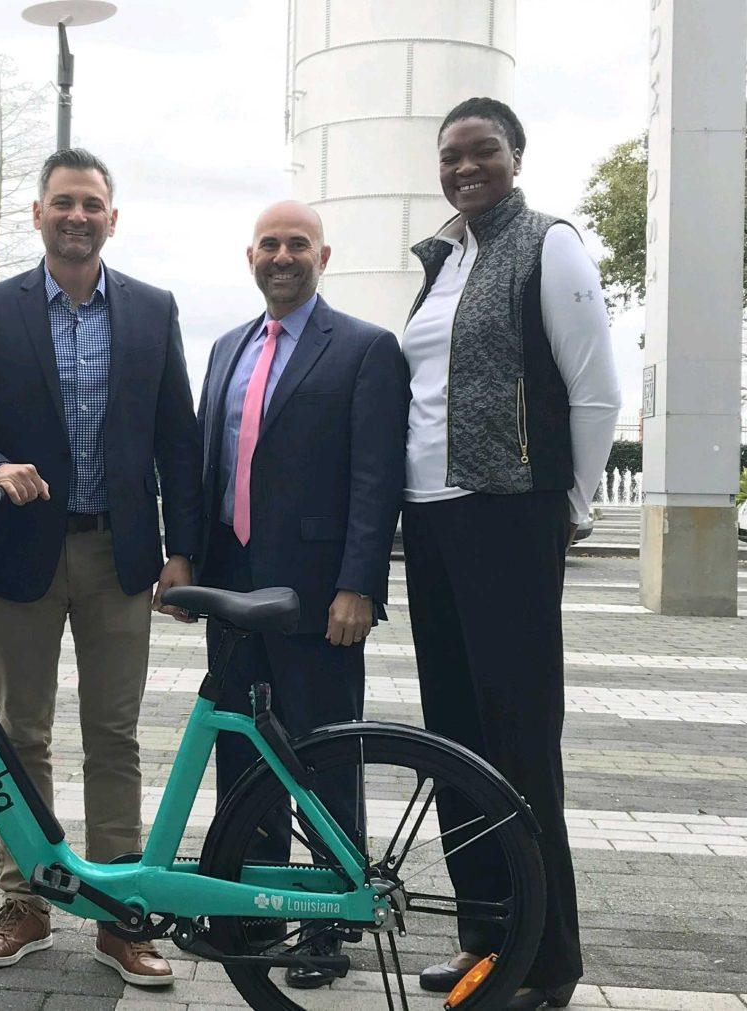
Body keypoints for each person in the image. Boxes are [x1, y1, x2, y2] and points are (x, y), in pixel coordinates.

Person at [0, 148, 202, 987]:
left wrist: (181, 549)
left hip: (121, 554)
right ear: (38, 214)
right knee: (22, 734)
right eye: (62, 203)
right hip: (23, 553)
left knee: (114, 734)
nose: (77, 216)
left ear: (111, 219)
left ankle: (122, 915)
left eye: (92, 204)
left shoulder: (154, 310)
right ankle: (27, 901)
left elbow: (177, 442)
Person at [401, 98, 620, 1010]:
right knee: (456, 738)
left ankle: (549, 958)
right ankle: (486, 936)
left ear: (515, 156)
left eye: (482, 151)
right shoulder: (442, 258)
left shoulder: (549, 244)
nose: (464, 167)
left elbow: (596, 388)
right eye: (451, 155)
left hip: (507, 519)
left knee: (521, 741)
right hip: (432, 522)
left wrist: (566, 507)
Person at [195, 200, 408, 989]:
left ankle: (327, 922)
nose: (282, 256)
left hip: (320, 597)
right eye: (269, 244)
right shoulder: (224, 349)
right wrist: (186, 561)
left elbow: (375, 478)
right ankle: (251, 914)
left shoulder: (363, 349)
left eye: (298, 244)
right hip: (232, 587)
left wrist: (359, 583)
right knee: (242, 753)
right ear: (249, 254)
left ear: (324, 254)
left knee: (322, 755)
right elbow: (206, 466)